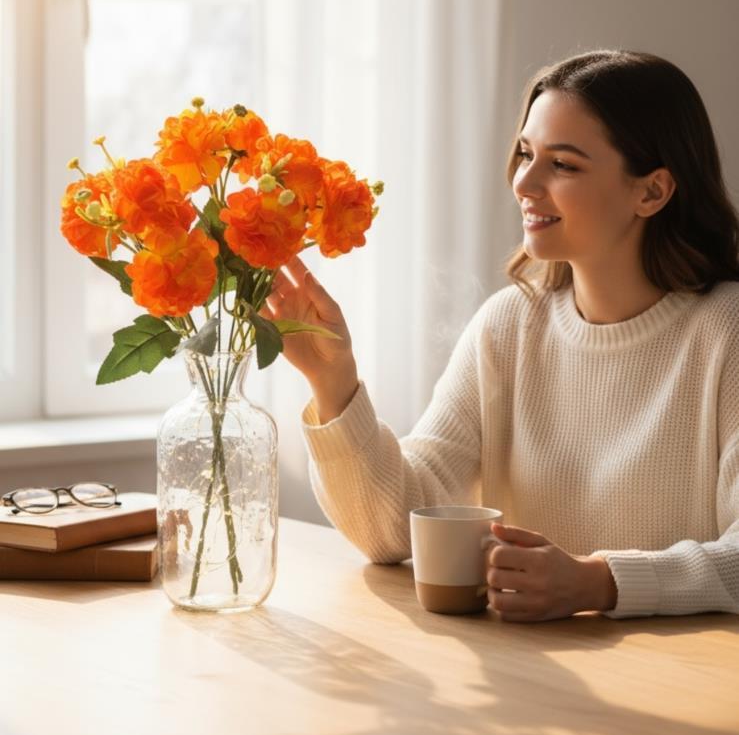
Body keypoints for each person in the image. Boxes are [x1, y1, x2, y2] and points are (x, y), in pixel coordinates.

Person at [265, 50, 739, 621]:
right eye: (525, 153)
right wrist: (332, 381)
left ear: (652, 192)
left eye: (563, 164)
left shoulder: (726, 332)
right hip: (536, 679)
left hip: (688, 693)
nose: (524, 182)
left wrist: (600, 583)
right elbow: (396, 531)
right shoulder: (509, 326)